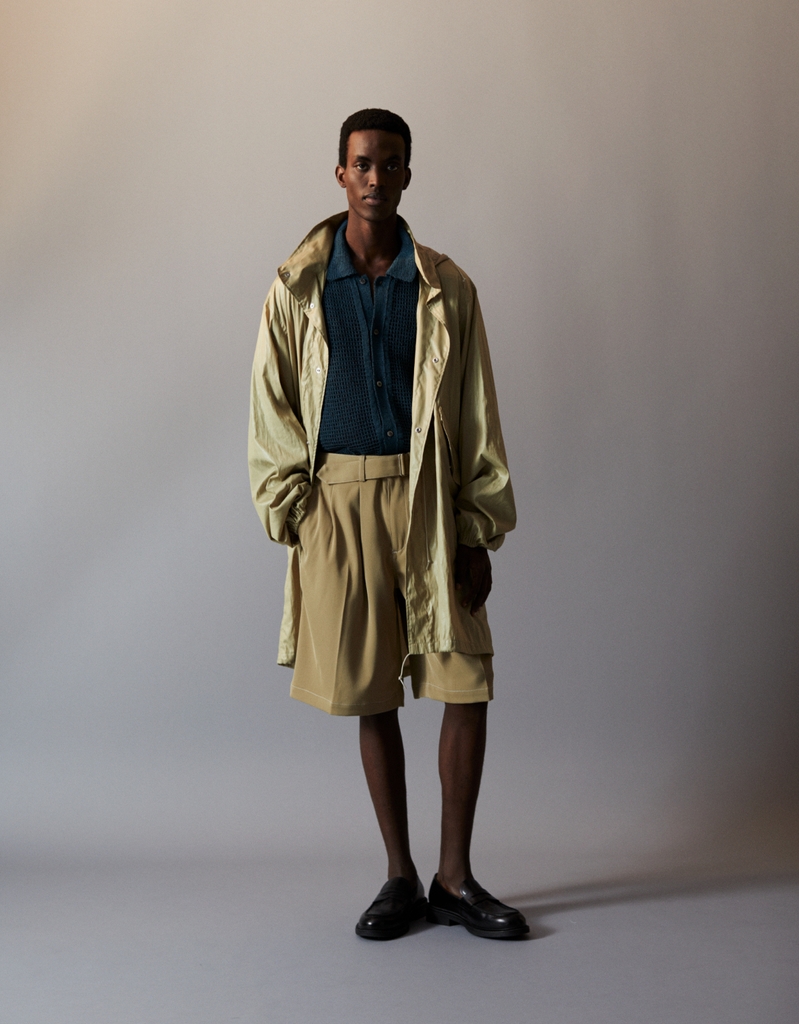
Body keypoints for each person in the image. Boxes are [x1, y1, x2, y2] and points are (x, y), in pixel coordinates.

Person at [248, 108, 527, 940]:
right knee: (372, 691)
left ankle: (455, 878)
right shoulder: (297, 286)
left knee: (464, 681)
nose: (375, 177)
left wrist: (476, 527)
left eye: (391, 163)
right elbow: (270, 403)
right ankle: (400, 875)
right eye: (362, 163)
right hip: (338, 504)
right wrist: (299, 513)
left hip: (430, 498)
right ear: (340, 173)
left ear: (408, 174)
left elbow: (476, 412)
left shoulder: (445, 287)